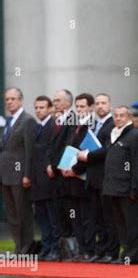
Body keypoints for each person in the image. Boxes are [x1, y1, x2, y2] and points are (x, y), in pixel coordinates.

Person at [77, 93, 118, 264]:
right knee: (97, 217)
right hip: (92, 178)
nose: (100, 106)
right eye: (98, 103)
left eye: (104, 103)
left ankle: (112, 252)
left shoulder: (113, 124)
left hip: (106, 178)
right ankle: (100, 251)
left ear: (110, 105)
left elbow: (109, 148)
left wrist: (88, 155)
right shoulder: (92, 124)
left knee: (109, 217)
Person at [102, 106, 138, 265]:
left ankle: (132, 254)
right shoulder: (112, 134)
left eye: (121, 115)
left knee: (130, 224)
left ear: (128, 117)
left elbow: (136, 162)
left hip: (126, 188)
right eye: (116, 116)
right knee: (118, 224)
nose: (117, 118)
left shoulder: (133, 135)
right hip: (112, 188)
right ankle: (125, 252)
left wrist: (134, 187)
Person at [0, 87, 37, 254]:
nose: (9, 102)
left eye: (12, 99)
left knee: (23, 212)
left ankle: (26, 246)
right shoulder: (7, 122)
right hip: (5, 175)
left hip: (20, 174)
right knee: (12, 214)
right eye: (7, 99)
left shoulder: (27, 120)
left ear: (20, 100)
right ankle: (18, 246)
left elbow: (30, 150)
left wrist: (27, 174)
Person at [60, 93, 97, 261]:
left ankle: (89, 250)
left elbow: (89, 151)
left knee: (87, 217)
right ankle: (81, 250)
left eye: (83, 106)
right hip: (72, 179)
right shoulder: (76, 125)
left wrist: (75, 169)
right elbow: (70, 149)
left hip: (85, 178)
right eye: (78, 107)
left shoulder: (92, 125)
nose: (80, 110)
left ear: (90, 107)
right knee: (76, 217)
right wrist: (65, 167)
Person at [31, 95, 60, 260]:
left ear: (49, 109)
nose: (38, 110)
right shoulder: (36, 127)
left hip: (49, 179)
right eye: (36, 107)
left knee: (52, 215)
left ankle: (55, 248)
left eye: (42, 107)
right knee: (41, 215)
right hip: (36, 179)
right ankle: (47, 245)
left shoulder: (53, 126)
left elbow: (52, 149)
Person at [48, 89, 76, 242]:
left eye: (58, 100)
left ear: (67, 102)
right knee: (59, 211)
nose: (55, 104)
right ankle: (64, 247)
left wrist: (57, 166)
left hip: (66, 174)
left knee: (70, 211)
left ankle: (74, 247)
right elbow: (51, 145)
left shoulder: (73, 119)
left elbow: (69, 145)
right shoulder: (56, 120)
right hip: (55, 174)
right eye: (54, 100)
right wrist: (49, 165)